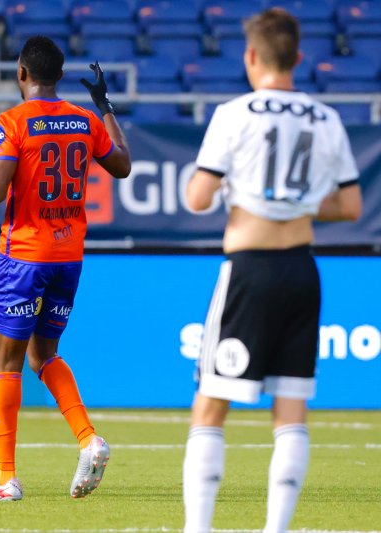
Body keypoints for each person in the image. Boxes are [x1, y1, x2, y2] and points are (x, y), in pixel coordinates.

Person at [182, 8, 362, 533]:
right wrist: (298, 203)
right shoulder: (326, 118)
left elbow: (197, 198)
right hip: (303, 272)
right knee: (290, 412)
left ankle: (199, 529)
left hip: (249, 270)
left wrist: (249, 195)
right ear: (299, 59)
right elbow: (351, 207)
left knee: (210, 406)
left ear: (251, 56)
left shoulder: (234, 113)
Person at [0, 36, 132, 501]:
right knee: (44, 356)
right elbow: (122, 165)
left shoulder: (11, 122)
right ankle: (89, 439)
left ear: (21, 73)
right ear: (60, 76)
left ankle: (6, 479)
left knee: (6, 362)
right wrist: (104, 105)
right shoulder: (85, 120)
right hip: (68, 257)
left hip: (23, 256)